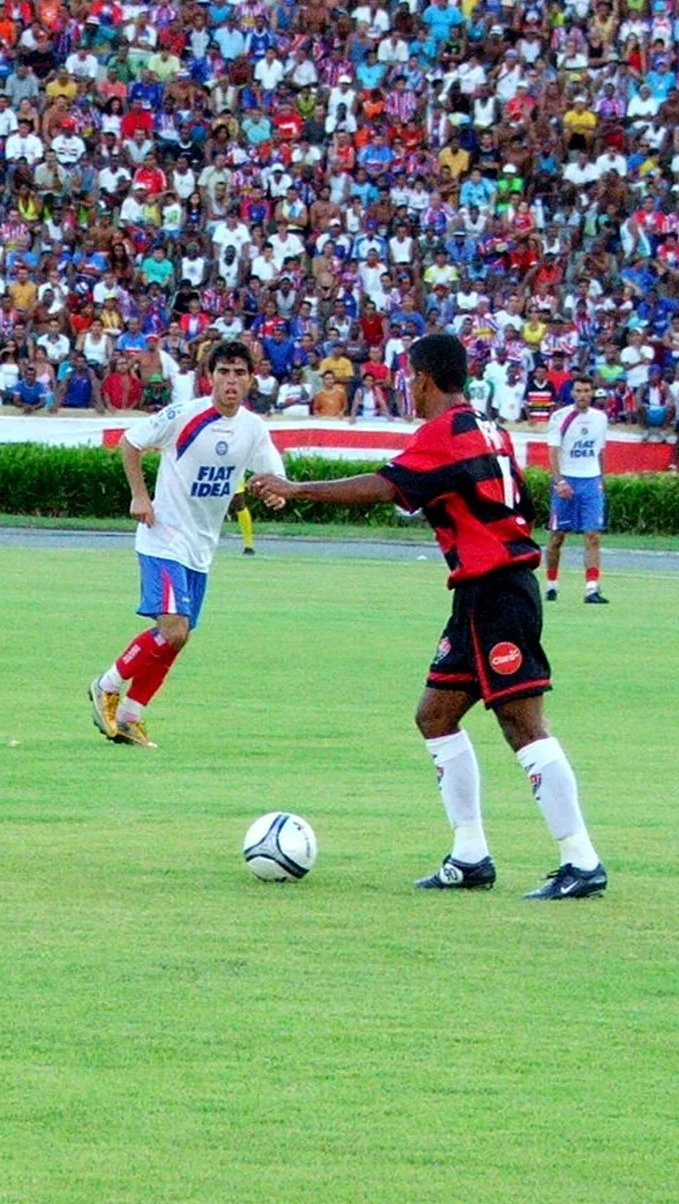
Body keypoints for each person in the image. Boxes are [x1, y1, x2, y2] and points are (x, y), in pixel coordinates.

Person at [247, 333, 606, 900]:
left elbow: (387, 486)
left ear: (421, 378)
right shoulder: (489, 427)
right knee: (435, 715)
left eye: (406, 378)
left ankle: (581, 859)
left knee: (523, 723)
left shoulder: (444, 432)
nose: (403, 387)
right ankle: (470, 856)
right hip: (481, 591)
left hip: (498, 592)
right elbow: (517, 505)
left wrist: (297, 488)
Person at [88, 341, 282, 749]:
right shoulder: (185, 415)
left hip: (201, 547)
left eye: (239, 373)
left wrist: (276, 493)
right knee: (173, 630)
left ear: (251, 379)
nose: (231, 381)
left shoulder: (252, 428)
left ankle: (130, 716)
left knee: (181, 634)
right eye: (224, 372)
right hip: (164, 537)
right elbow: (131, 442)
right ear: (209, 376)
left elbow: (270, 476)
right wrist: (140, 496)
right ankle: (106, 686)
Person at [545, 374, 610, 603]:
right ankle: (552, 584)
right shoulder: (560, 417)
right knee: (557, 537)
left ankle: (591, 588)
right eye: (579, 391)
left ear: (592, 393)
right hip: (568, 480)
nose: (583, 395)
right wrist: (559, 481)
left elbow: (600, 451)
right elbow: (553, 452)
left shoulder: (600, 419)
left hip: (590, 480)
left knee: (592, 535)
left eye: (586, 391)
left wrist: (601, 479)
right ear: (572, 393)